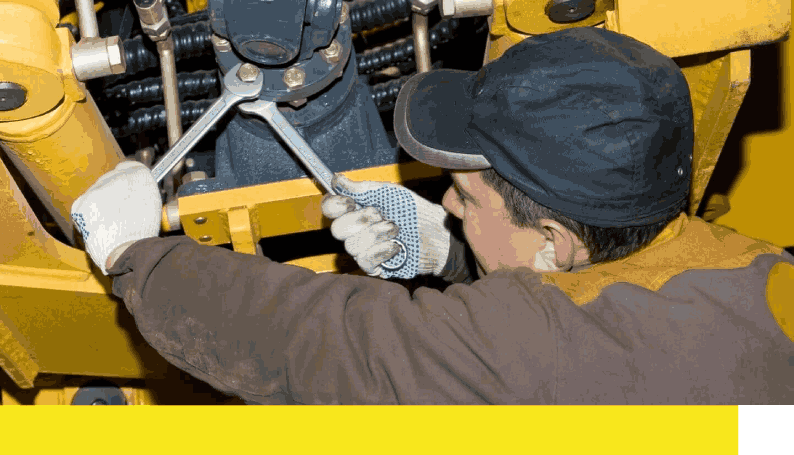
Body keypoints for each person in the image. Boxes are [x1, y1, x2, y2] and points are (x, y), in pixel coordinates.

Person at [71, 28, 794, 403]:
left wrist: (139, 254)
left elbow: (325, 346)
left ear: (553, 240)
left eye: (465, 199)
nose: (445, 201)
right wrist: (451, 257)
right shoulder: (761, 274)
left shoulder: (545, 366)